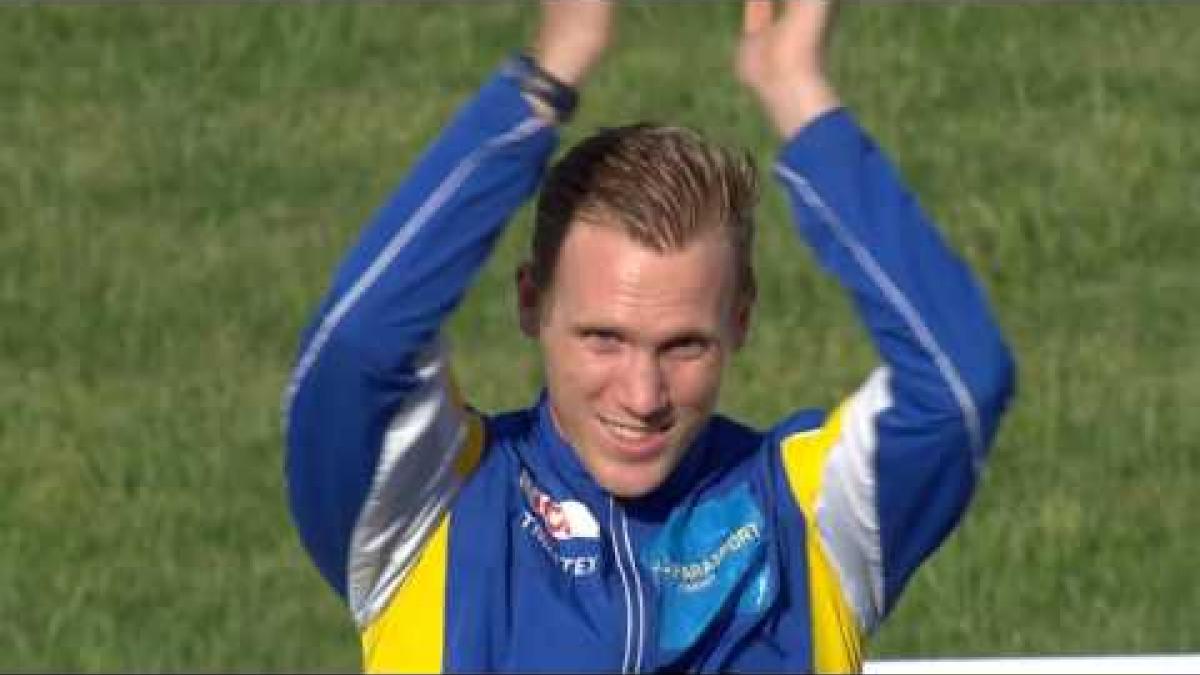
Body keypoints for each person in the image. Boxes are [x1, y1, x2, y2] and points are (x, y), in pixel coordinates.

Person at [283, 0, 1016, 672]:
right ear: (531, 303)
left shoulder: (812, 521)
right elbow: (356, 346)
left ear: (741, 320)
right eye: (604, 338)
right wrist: (546, 78)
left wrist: (794, 89)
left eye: (683, 346)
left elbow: (960, 384)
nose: (642, 395)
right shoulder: (425, 507)